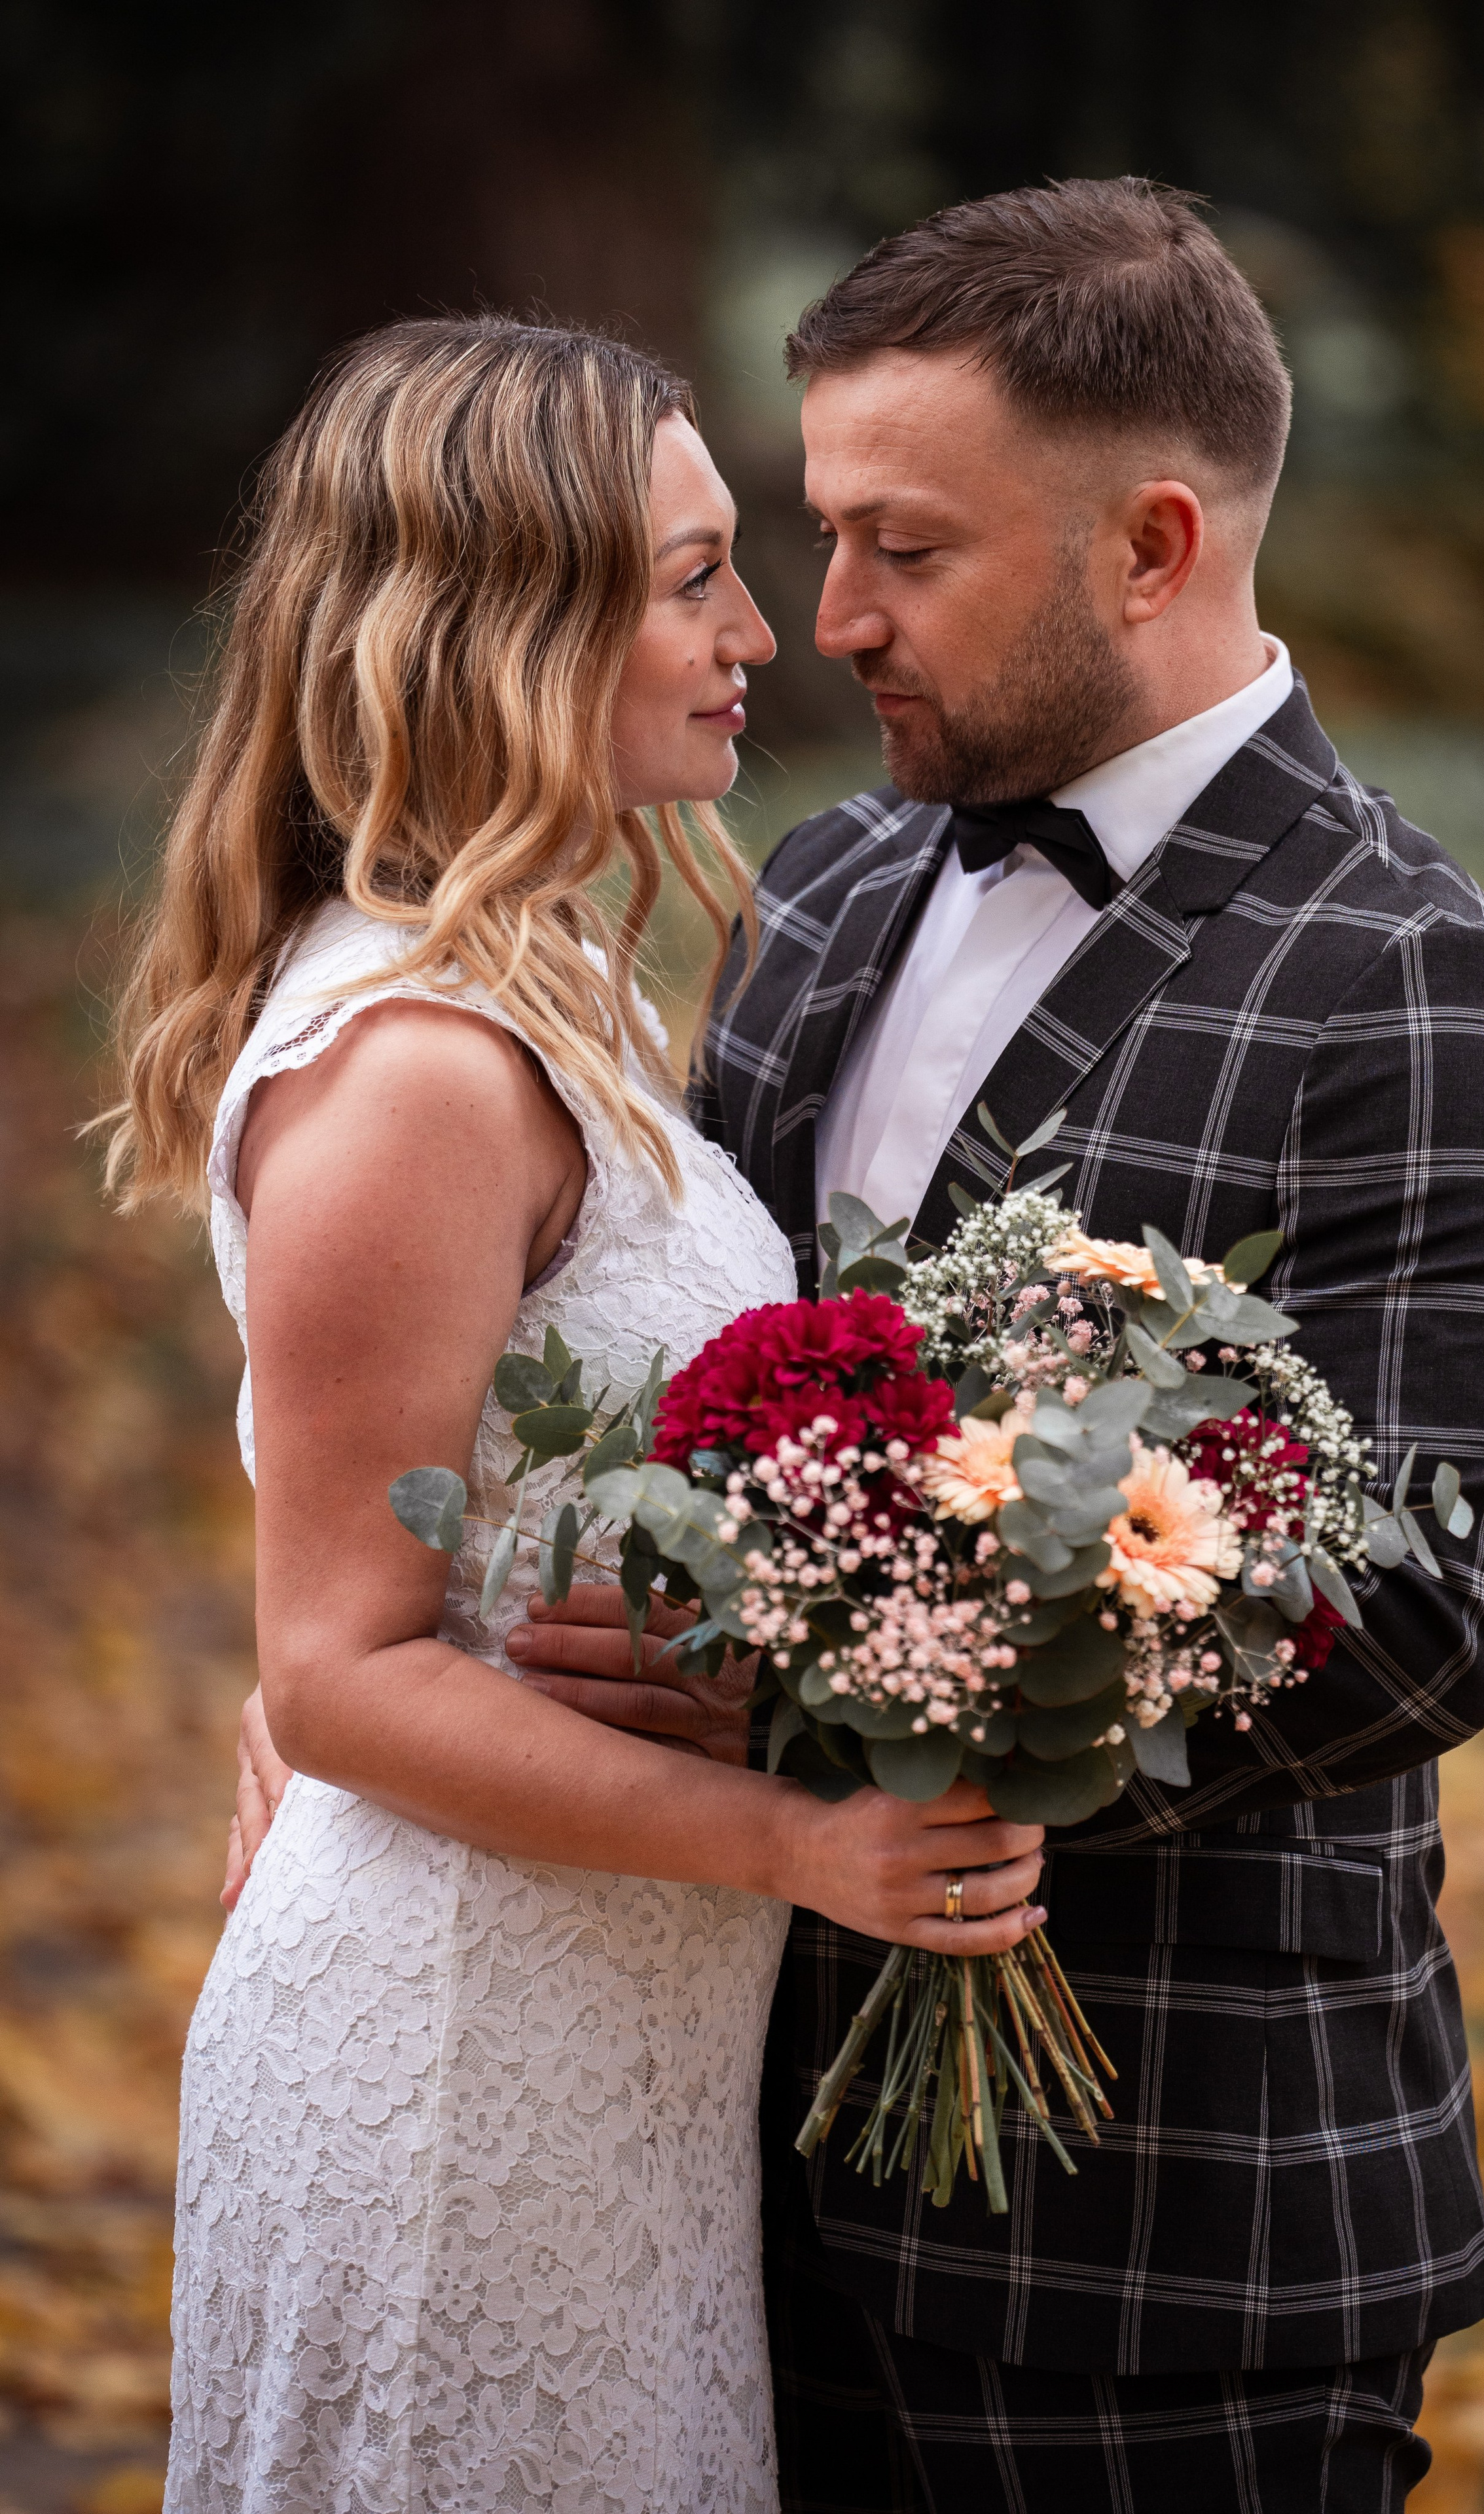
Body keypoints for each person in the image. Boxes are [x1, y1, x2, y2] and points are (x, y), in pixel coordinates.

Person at [458, 180, 1484, 2507]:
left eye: (907, 548)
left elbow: (1424, 1609)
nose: (828, 617)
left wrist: (826, 1694)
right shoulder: (831, 884)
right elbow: (678, 1384)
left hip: (1176, 2236)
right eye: (822, 534)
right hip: (725, 2179)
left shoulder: (1409, 975)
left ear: (1152, 546)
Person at [103, 314, 1047, 2514]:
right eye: (695, 577)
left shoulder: (551, 990)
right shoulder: (417, 1069)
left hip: (610, 2061)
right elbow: (336, 1673)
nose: (759, 635)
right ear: (502, 631)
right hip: (457, 2068)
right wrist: (802, 1845)